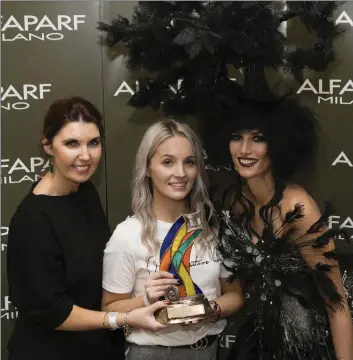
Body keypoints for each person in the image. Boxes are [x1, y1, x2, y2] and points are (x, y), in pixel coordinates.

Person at [6, 97, 169, 360]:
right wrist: (121, 318)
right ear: (48, 146)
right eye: (72, 144)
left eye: (93, 143)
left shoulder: (84, 192)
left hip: (97, 348)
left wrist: (143, 299)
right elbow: (53, 312)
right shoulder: (33, 220)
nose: (85, 155)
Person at [205, 99, 353, 360]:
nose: (244, 149)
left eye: (258, 138)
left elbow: (336, 303)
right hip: (259, 339)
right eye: (236, 137)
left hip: (308, 344)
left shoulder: (297, 209)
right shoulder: (235, 203)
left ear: (278, 145)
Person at [102, 119, 244, 360]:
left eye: (189, 162)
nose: (180, 173)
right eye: (167, 162)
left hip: (209, 351)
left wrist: (210, 310)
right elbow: (109, 309)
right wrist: (146, 300)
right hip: (152, 353)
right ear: (147, 168)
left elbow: (235, 295)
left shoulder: (213, 228)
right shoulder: (127, 234)